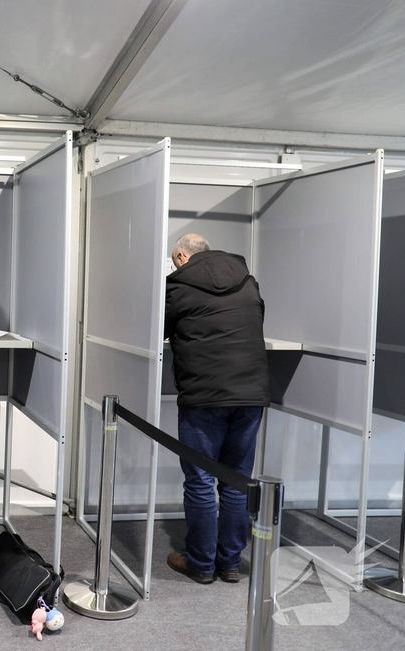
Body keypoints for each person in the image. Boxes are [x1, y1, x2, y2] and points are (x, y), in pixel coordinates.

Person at [163, 233, 269, 585]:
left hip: (204, 395)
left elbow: (158, 329)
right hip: (250, 393)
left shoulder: (178, 287)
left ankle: (201, 563)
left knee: (200, 480)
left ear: (180, 256)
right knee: (237, 480)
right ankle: (230, 563)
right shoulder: (248, 282)